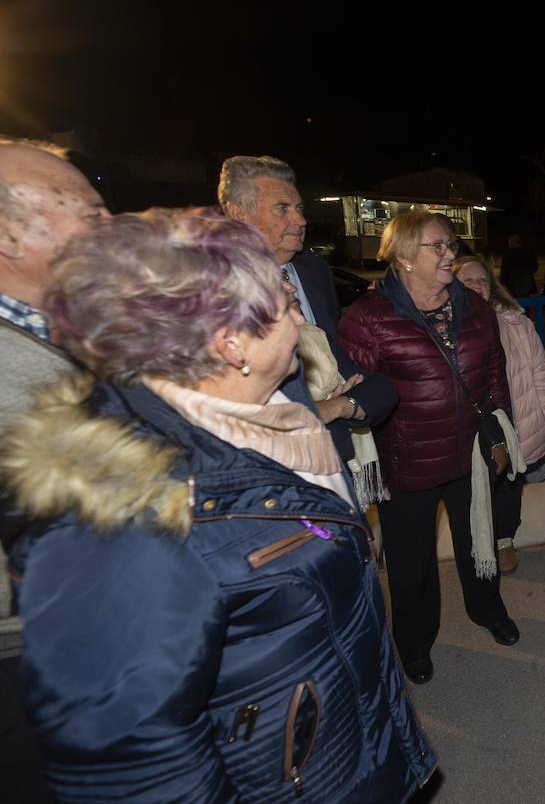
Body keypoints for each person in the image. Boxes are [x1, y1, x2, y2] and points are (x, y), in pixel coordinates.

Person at [3, 208, 435, 800]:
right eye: (284, 308)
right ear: (232, 343)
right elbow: (143, 771)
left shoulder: (268, 430)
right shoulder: (130, 521)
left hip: (341, 759)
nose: (298, 319)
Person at [338, 210, 519, 685]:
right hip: (408, 461)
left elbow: (495, 372)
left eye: (451, 245)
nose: (449, 255)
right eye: (436, 247)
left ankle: (487, 608)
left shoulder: (474, 306)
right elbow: (356, 395)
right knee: (410, 562)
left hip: (471, 454)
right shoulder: (367, 319)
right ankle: (415, 641)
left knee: (479, 538)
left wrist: (501, 432)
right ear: (402, 257)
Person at [0, 136, 110, 803]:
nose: (111, 226)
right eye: (90, 214)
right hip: (24, 651)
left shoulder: (66, 331)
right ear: (11, 236)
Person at [218, 155, 398, 478]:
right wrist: (331, 407)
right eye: (282, 208)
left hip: (338, 459)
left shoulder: (314, 272)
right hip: (270, 475)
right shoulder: (213, 291)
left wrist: (349, 404)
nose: (300, 221)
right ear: (238, 214)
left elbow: (344, 364)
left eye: (299, 208)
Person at [455, 254, 545, 574]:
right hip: (468, 426)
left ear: (492, 286)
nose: (475, 285)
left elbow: (540, 370)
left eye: (481, 280)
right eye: (466, 281)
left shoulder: (516, 322)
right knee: (472, 488)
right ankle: (476, 544)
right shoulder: (444, 324)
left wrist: (539, 412)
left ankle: (503, 541)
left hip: (514, 420)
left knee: (509, 484)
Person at [499, 233, 540, 298]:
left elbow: (504, 273)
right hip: (527, 285)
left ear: (513, 242)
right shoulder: (529, 253)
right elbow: (535, 268)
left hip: (512, 287)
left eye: (509, 242)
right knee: (525, 304)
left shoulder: (508, 255)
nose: (508, 244)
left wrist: (502, 287)